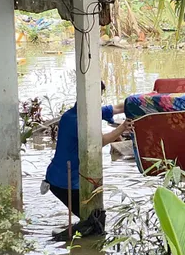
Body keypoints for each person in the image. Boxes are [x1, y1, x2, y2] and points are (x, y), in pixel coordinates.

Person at [44, 82, 132, 239]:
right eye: (97, 97)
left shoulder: (88, 113)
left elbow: (118, 108)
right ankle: (59, 240)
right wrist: (122, 128)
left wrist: (140, 101)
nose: (99, 100)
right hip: (63, 181)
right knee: (95, 220)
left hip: (67, 177)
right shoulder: (75, 120)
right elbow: (98, 142)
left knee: (93, 218)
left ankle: (74, 234)